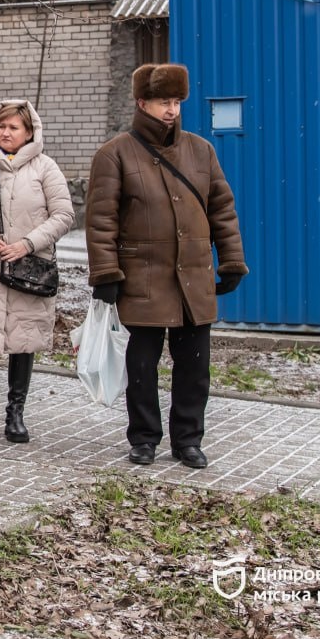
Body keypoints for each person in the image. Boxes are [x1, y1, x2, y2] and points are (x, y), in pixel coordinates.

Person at [85, 63, 247, 469]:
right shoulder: (114, 153)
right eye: (162, 102)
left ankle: (188, 440)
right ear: (142, 103)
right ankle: (143, 439)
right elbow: (101, 219)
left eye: (175, 102)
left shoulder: (200, 150)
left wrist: (230, 261)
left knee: (195, 370)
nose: (171, 110)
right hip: (142, 278)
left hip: (193, 278)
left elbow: (222, 210)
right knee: (141, 368)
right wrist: (106, 274)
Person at [0, 99, 74, 443]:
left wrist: (27, 243)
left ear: (29, 132)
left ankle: (15, 414)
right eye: (1, 126)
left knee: (23, 338)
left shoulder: (45, 168)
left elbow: (64, 215)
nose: (6, 133)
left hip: (28, 267)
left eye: (14, 127)